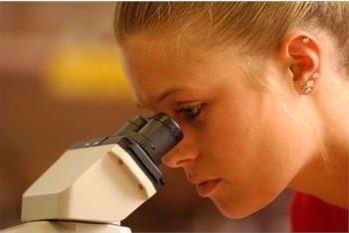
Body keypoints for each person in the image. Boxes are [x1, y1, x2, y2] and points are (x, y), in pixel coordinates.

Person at [113, 2, 348, 232]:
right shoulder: (316, 213)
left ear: (298, 66)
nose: (172, 158)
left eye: (191, 110)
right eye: (159, 122)